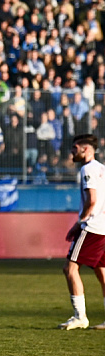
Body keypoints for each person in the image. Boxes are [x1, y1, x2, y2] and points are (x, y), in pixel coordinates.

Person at [59, 134, 105, 330]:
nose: (72, 152)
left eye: (75, 148)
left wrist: (80, 223)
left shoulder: (87, 170)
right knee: (101, 271)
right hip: (103, 226)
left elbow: (92, 200)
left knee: (70, 268)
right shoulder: (102, 169)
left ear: (86, 149)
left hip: (92, 227)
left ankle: (80, 317)